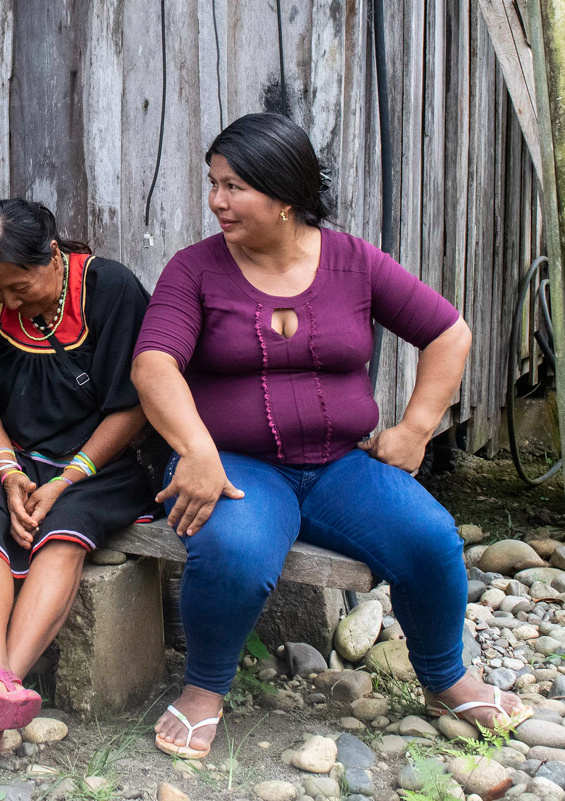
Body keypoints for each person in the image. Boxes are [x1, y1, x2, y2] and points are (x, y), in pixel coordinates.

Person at [132, 112, 517, 760]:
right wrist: (195, 451)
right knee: (235, 551)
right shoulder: (194, 270)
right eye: (213, 183)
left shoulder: (353, 263)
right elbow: (154, 364)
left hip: (341, 466)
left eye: (233, 187)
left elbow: (448, 333)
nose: (215, 201)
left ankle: (445, 678)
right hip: (236, 464)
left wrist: (416, 430)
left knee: (428, 539)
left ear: (285, 197)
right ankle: (204, 689)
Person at [0, 199, 152, 775]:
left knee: (65, 529)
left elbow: (138, 403)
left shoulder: (112, 290)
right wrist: (7, 470)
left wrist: (69, 476)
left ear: (54, 255)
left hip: (102, 461)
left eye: (19, 287)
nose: (9, 302)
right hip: (16, 455)